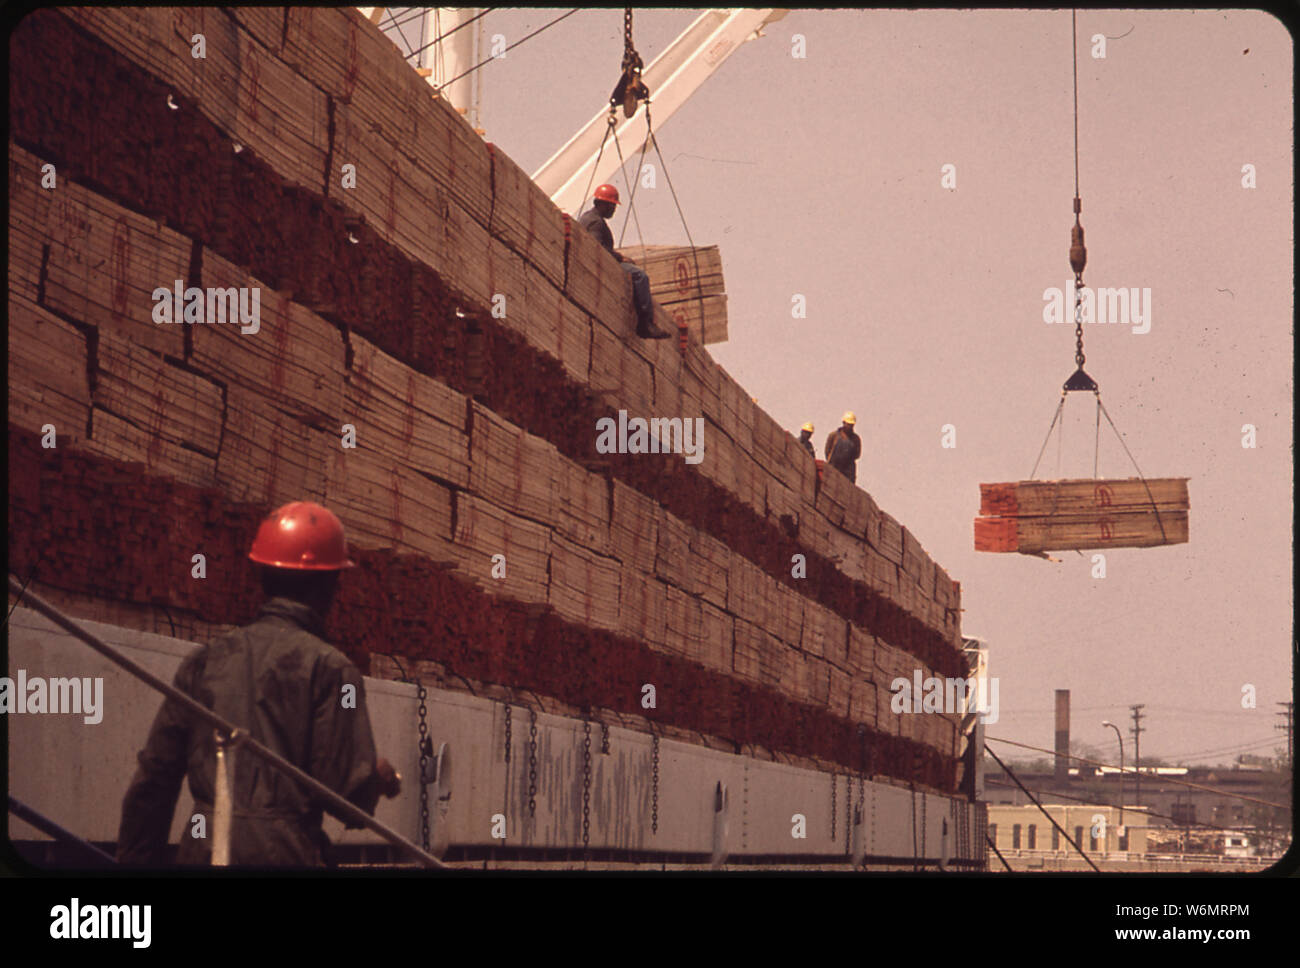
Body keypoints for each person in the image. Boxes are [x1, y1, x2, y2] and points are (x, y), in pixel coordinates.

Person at [116, 501, 401, 867]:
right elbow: (348, 800)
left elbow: (153, 782)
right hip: (286, 856)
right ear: (329, 583)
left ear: (262, 574)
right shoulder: (332, 670)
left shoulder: (205, 661)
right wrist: (375, 777)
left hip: (203, 853)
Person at [578, 184, 670, 338]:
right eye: (613, 205)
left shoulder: (588, 218)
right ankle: (645, 323)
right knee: (640, 276)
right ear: (604, 204)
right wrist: (620, 258)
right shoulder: (596, 222)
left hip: (595, 263)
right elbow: (597, 249)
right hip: (601, 264)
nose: (614, 210)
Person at [824, 411, 862, 483]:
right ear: (843, 423)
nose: (850, 427)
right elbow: (827, 451)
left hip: (848, 471)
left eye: (851, 425)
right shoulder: (834, 435)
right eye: (848, 424)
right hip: (834, 467)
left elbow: (857, 455)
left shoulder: (856, 439)